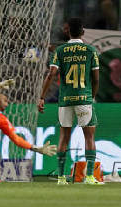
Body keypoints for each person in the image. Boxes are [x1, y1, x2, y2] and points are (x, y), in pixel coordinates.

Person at [39, 17, 103, 185]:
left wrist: (41, 97)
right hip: (84, 98)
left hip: (65, 99)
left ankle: (61, 178)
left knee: (63, 138)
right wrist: (92, 96)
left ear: (68, 32)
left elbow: (51, 74)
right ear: (82, 32)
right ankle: (89, 177)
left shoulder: (60, 51)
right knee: (89, 138)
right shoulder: (90, 50)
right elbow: (96, 79)